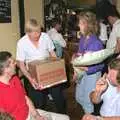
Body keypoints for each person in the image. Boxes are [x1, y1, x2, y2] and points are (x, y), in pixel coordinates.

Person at [16, 18, 67, 114]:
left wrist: (57, 67)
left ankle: (63, 114)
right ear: (27, 32)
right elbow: (21, 64)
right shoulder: (21, 43)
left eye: (39, 32)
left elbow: (52, 53)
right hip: (33, 75)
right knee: (38, 102)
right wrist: (30, 79)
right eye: (34, 33)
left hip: (49, 71)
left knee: (58, 97)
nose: (38, 35)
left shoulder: (45, 36)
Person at [0, 51, 70, 120]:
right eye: (13, 62)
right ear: (6, 69)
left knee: (66, 118)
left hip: (31, 113)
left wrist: (36, 116)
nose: (15, 63)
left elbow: (25, 98)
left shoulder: (15, 79)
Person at [73, 11, 104, 113]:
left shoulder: (96, 43)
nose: (78, 25)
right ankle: (89, 112)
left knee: (87, 101)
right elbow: (80, 54)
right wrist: (75, 58)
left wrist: (88, 68)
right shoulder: (82, 38)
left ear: (88, 25)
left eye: (81, 23)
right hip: (82, 72)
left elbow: (101, 65)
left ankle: (89, 114)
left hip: (92, 74)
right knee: (79, 97)